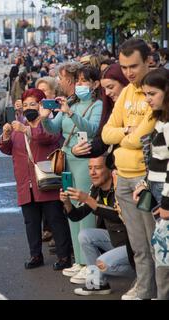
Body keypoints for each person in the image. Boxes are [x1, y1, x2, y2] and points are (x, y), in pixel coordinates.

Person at [102, 38, 157, 300]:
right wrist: (126, 132)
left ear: (149, 60)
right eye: (123, 67)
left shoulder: (156, 90)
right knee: (138, 245)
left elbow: (141, 138)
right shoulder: (126, 92)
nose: (128, 73)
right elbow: (106, 133)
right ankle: (145, 288)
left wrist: (122, 137)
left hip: (145, 178)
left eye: (133, 66)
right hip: (123, 177)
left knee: (154, 243)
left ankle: (155, 290)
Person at [0, 89, 72, 270]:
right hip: (25, 180)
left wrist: (26, 129)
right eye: (25, 105)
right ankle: (35, 255)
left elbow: (47, 138)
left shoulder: (49, 123)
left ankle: (64, 257)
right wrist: (6, 137)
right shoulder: (20, 124)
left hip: (47, 179)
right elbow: (9, 149)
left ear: (41, 106)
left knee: (55, 219)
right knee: (30, 221)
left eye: (33, 104)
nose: (28, 108)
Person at [41, 65, 103, 278]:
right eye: (78, 81)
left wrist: (70, 113)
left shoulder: (97, 104)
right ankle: (78, 260)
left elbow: (93, 129)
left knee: (83, 207)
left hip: (84, 161)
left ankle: (89, 263)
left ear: (95, 84)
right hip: (66, 161)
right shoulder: (72, 103)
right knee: (69, 206)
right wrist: (44, 117)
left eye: (85, 81)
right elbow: (53, 128)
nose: (80, 85)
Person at [60, 155, 134, 295]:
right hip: (115, 240)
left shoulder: (120, 186)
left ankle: (143, 276)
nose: (92, 172)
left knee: (102, 263)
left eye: (98, 168)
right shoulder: (96, 188)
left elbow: (119, 215)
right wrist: (67, 203)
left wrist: (88, 199)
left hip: (132, 245)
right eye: (90, 168)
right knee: (85, 235)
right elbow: (77, 215)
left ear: (109, 169)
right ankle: (97, 284)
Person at [134, 68, 169, 300]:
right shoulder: (160, 119)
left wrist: (166, 202)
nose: (147, 99)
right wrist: (145, 184)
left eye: (152, 93)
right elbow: (157, 162)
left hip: (164, 195)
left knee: (164, 257)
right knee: (161, 253)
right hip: (156, 190)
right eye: (145, 93)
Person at [72, 63, 129, 158]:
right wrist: (77, 150)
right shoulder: (110, 108)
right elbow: (101, 141)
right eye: (104, 89)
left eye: (110, 87)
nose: (107, 93)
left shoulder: (98, 105)